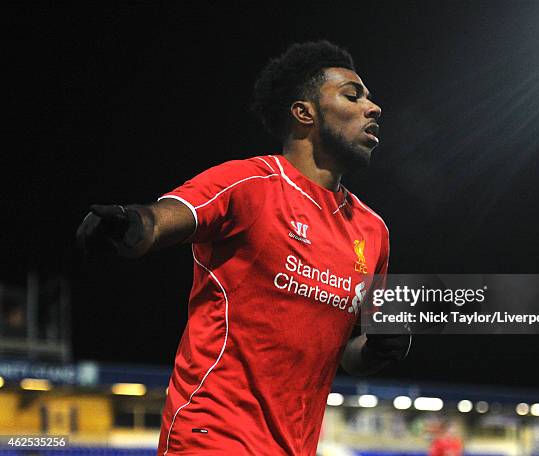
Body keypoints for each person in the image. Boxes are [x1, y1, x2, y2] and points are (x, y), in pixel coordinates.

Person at [76, 40, 411, 455]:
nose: (373, 107)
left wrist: (379, 348)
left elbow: (347, 355)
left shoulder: (372, 230)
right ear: (304, 113)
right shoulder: (250, 184)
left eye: (370, 97)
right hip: (211, 437)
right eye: (352, 95)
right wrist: (133, 223)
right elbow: (165, 218)